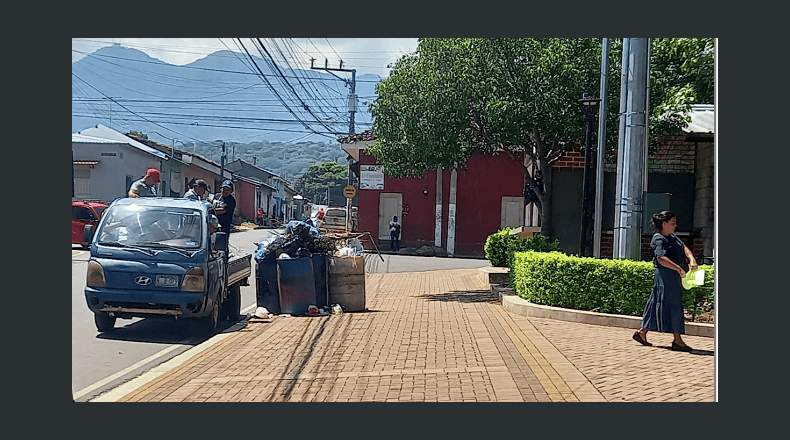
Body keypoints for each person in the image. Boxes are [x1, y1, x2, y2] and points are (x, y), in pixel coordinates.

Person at [633, 211, 698, 351]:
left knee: (657, 302)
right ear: (664, 224)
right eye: (672, 223)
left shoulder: (672, 237)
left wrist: (691, 259)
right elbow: (661, 258)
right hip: (665, 276)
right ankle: (677, 339)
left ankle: (642, 332)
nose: (675, 225)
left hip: (673, 277)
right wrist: (678, 269)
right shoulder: (658, 239)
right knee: (673, 305)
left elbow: (683, 247)